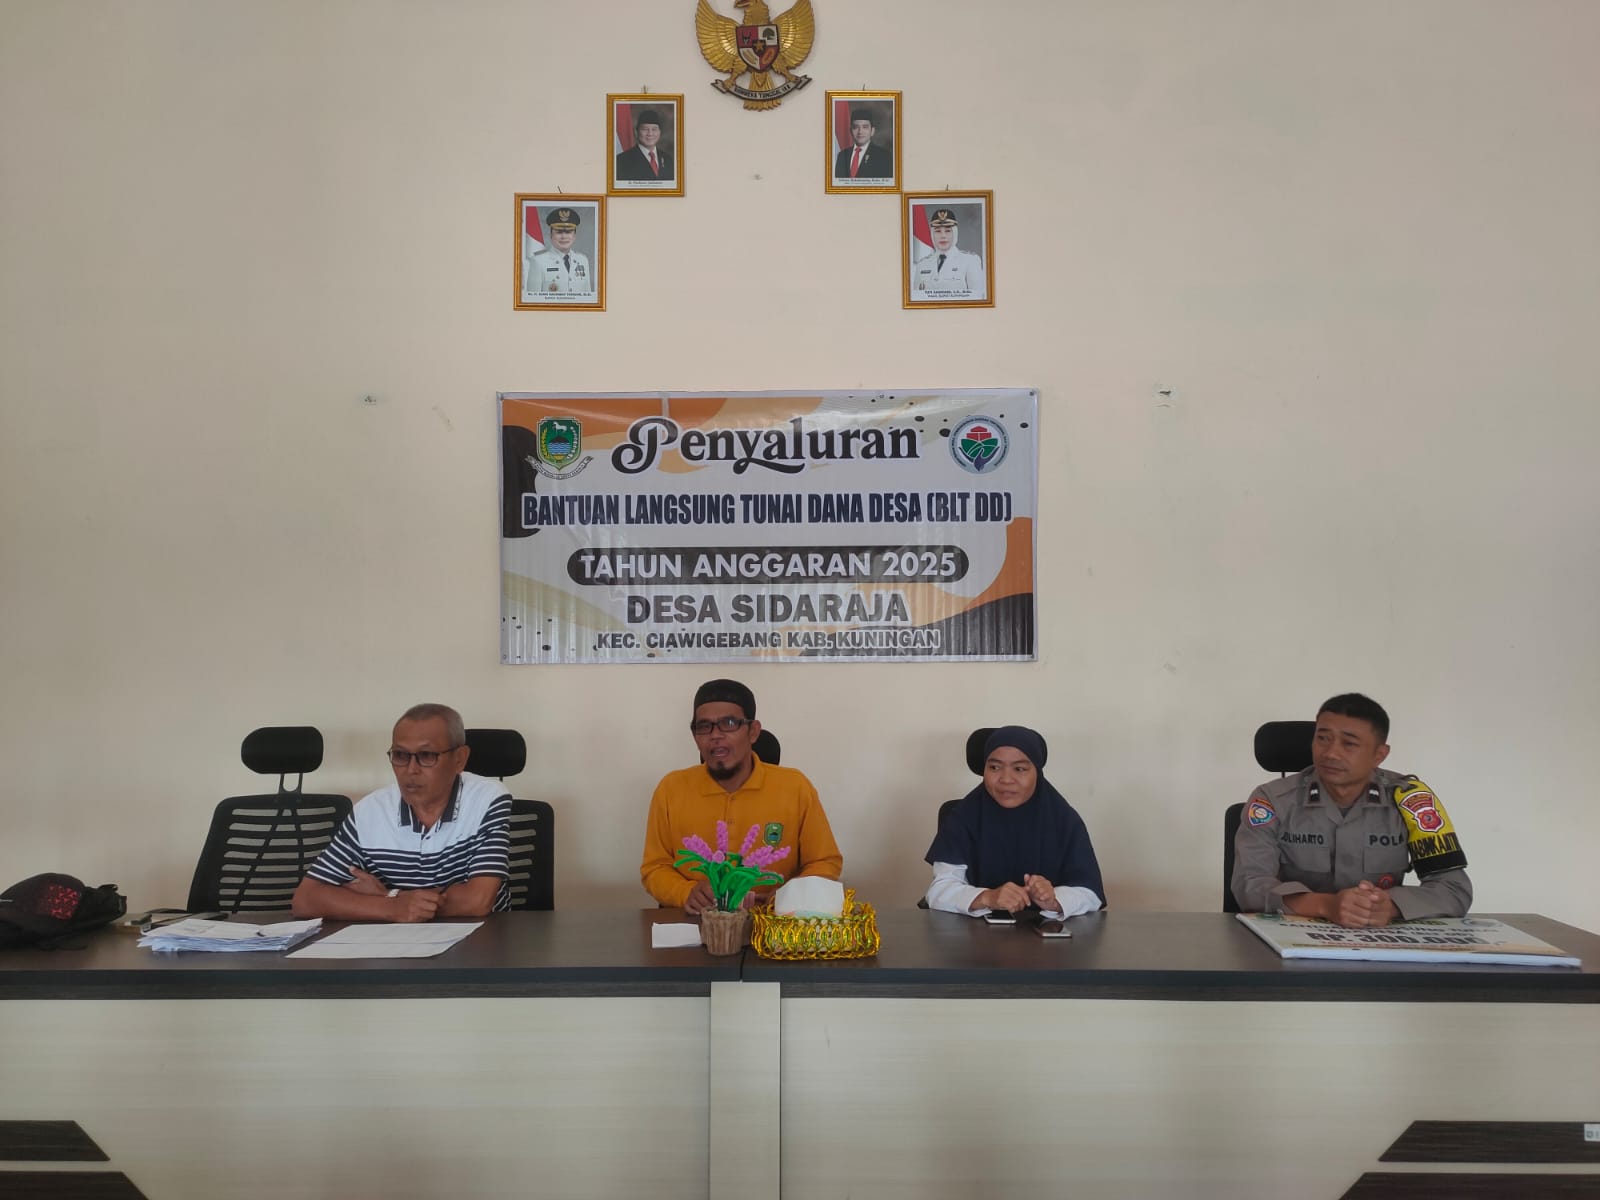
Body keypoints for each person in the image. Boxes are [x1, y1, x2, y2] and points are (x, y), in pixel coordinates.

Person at [1231, 693, 1471, 926]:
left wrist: (1390, 906)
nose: (1331, 753)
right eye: (1322, 738)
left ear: (1379, 754)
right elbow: (1249, 885)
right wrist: (1326, 905)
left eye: (1349, 744)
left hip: (1379, 938)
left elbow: (1453, 889)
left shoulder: (1412, 801)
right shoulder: (1272, 800)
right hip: (1289, 939)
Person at [291, 704, 512, 922]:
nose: (411, 769)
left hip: (482, 938)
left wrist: (389, 896)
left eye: (427, 755)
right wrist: (392, 907)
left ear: (459, 759)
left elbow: (476, 901)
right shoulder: (370, 811)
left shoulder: (487, 800)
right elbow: (306, 899)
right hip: (393, 940)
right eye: (400, 755)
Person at [640, 679, 843, 913]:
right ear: (695, 736)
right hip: (696, 921)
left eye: (729, 723)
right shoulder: (671, 789)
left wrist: (788, 897)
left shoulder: (795, 787)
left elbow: (825, 862)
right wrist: (686, 892)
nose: (715, 735)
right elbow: (655, 868)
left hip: (774, 922)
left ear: (753, 732)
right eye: (704, 726)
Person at [923, 726, 1105, 918]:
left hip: (1045, 933)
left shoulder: (1064, 820)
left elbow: (1090, 893)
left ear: (1037, 772)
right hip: (974, 933)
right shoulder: (962, 817)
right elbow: (938, 891)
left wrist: (1054, 900)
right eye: (994, 767)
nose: (1006, 779)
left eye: (1019, 769)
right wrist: (987, 897)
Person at [912, 207, 985, 299]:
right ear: (932, 234)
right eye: (938, 231)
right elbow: (917, 298)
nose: (943, 236)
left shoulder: (970, 261)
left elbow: (977, 298)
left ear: (955, 233)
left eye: (948, 231)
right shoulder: (922, 265)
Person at [526, 207, 593, 297]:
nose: (564, 236)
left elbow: (587, 297)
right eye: (559, 232)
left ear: (574, 236)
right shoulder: (538, 262)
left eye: (568, 232)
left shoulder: (583, 260)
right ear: (551, 235)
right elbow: (533, 300)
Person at [615, 108, 674, 182]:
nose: (650, 134)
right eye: (645, 129)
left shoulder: (668, 160)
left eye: (654, 129)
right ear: (636, 132)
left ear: (660, 132)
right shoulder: (621, 161)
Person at [833, 107, 891, 180]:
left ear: (872, 131)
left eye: (865, 127)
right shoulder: (842, 155)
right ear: (850, 131)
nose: (860, 132)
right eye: (856, 127)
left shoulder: (884, 156)